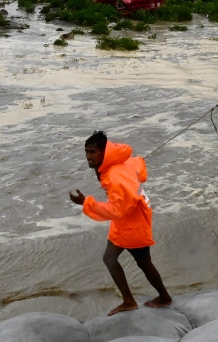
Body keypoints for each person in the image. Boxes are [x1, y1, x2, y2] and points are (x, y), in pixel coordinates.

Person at [70, 131, 172, 315]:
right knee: (113, 259)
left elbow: (116, 209)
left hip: (133, 223)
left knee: (142, 263)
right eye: (86, 151)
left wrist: (86, 203)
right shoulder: (118, 162)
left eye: (92, 152)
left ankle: (155, 298)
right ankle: (135, 299)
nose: (87, 156)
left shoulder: (115, 176)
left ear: (103, 152)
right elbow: (139, 163)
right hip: (126, 221)